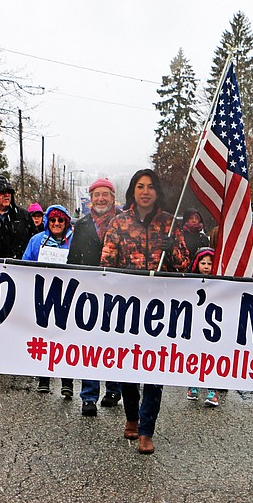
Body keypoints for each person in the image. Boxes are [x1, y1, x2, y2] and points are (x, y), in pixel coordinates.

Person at [101, 169, 190, 454]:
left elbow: (184, 264)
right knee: (129, 363)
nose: (145, 191)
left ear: (157, 192)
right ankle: (131, 415)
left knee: (155, 367)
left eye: (150, 187)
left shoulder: (169, 224)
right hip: (128, 305)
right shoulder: (119, 223)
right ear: (133, 191)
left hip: (161, 307)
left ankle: (146, 429)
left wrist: (172, 247)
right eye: (140, 186)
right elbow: (106, 264)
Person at [68, 177, 122, 416]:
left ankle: (113, 388)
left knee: (113, 341)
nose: (101, 198)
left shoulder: (123, 223)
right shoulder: (81, 225)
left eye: (105, 194)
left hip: (117, 291)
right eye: (96, 195)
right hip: (88, 292)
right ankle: (88, 396)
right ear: (90, 199)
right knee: (90, 343)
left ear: (112, 197)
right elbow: (73, 259)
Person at [23, 204, 75, 399]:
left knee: (65, 337)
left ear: (66, 222)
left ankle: (67, 380)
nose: (56, 223)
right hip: (42, 294)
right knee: (43, 337)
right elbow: (25, 263)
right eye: (52, 220)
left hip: (68, 295)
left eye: (60, 220)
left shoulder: (74, 241)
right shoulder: (37, 240)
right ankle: (44, 377)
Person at [186, 246, 221, 408]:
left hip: (214, 327)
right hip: (195, 325)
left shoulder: (220, 283)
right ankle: (193, 385)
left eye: (209, 263)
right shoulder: (190, 282)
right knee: (194, 355)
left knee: (212, 357)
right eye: (203, 263)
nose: (206, 266)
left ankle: (213, 390)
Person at [0, 175, 35, 259]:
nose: (6, 195)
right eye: (2, 192)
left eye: (9, 192)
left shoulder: (24, 216)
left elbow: (34, 241)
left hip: (20, 266)